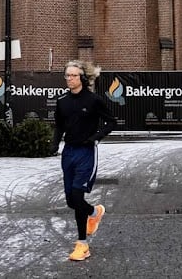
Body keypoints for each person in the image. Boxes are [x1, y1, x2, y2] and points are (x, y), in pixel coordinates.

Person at [52, 60, 116, 261]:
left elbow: (111, 122)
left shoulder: (93, 100)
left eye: (72, 75)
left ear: (82, 78)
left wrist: (95, 137)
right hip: (68, 153)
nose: (69, 79)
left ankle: (82, 244)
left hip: (86, 153)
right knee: (71, 201)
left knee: (78, 197)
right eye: (67, 75)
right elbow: (59, 126)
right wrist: (54, 143)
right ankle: (94, 212)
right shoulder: (62, 101)